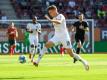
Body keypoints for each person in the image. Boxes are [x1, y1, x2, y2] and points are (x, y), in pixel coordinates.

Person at [33, 5, 89, 71]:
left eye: (50, 12)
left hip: (65, 37)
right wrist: (51, 20)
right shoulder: (53, 18)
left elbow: (59, 22)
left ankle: (84, 62)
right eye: (49, 13)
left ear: (55, 10)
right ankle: (37, 62)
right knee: (46, 45)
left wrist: (50, 20)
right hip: (57, 36)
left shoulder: (61, 16)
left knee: (71, 54)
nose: (50, 14)